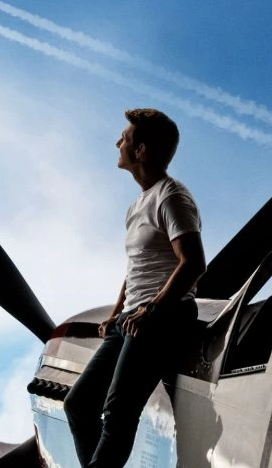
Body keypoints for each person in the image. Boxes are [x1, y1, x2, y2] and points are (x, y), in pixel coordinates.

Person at [63, 108, 206, 468]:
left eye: (124, 138)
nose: (118, 142)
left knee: (118, 413)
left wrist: (153, 309)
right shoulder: (137, 205)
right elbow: (136, 267)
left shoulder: (172, 197)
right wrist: (116, 312)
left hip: (163, 316)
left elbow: (193, 263)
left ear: (140, 150)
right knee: (79, 404)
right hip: (133, 317)